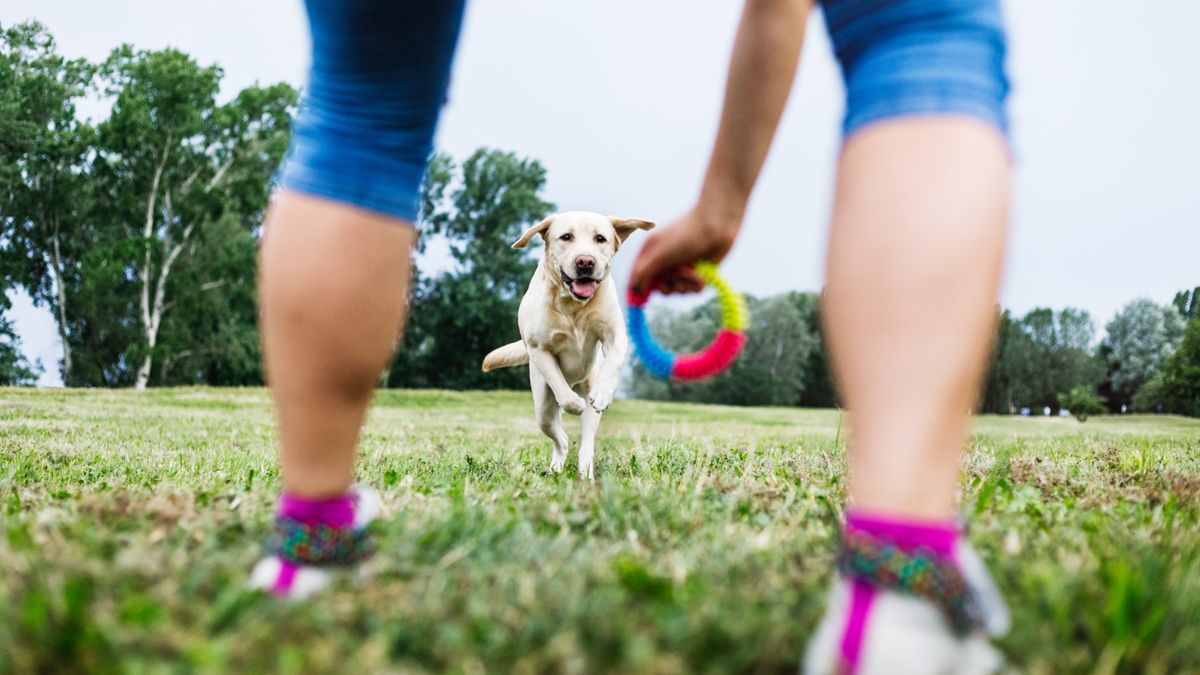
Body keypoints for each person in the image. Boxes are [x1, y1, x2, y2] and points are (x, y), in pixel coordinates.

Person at [250, 0, 1013, 672]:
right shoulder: (548, 267)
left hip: (590, 345)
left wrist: (716, 204)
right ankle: (900, 578)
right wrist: (722, 202)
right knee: (916, 27)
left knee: (364, 102)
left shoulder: (600, 270)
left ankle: (311, 542)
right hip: (553, 356)